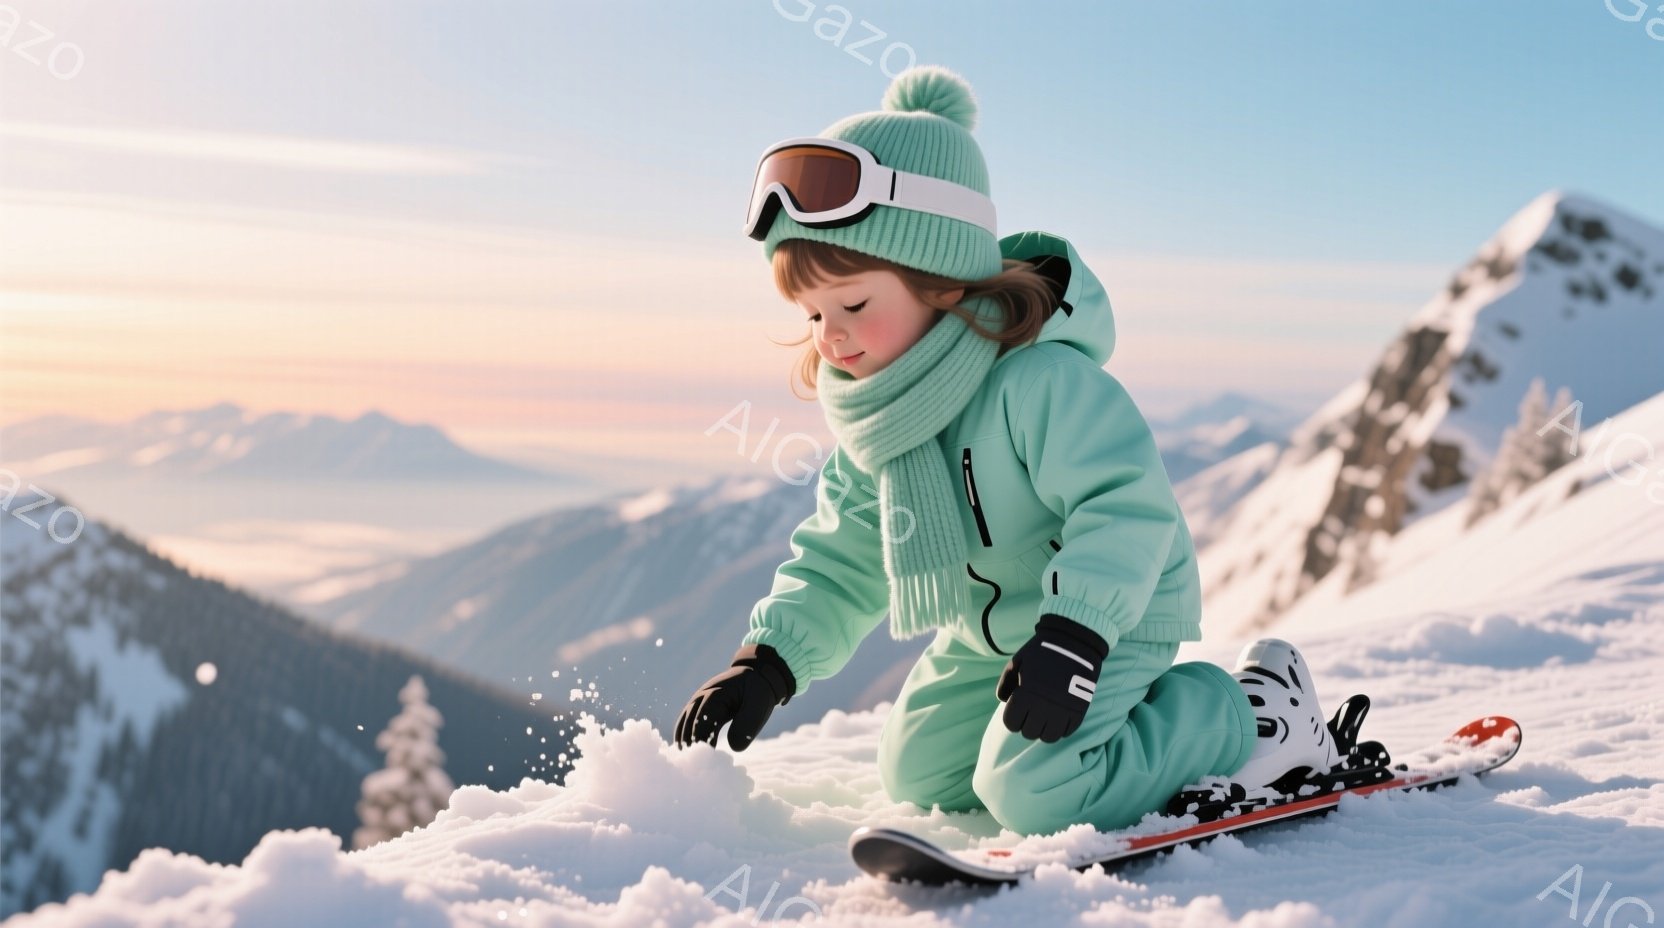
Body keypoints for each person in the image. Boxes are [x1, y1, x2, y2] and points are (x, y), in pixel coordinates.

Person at [673, 64, 1342, 837]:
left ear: (942, 280)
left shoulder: (1040, 383)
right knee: (917, 775)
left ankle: (1254, 715)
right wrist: (769, 661)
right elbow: (847, 555)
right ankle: (1113, 735)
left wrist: (1075, 635)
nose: (831, 337)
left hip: (1106, 618)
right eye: (813, 313)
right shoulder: (879, 419)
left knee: (1032, 791)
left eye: (852, 302)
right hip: (989, 636)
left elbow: (1126, 507)